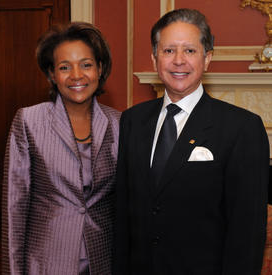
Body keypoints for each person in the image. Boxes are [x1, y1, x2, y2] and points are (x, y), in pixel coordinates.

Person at [113, 8, 270, 275]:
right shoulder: (132, 121)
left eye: (189, 51)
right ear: (154, 59)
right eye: (168, 50)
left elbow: (248, 232)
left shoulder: (242, 128)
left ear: (207, 58)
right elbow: (123, 215)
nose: (178, 61)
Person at [2, 22, 120, 275]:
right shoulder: (29, 121)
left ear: (100, 69)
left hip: (103, 260)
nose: (76, 75)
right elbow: (15, 207)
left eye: (86, 65)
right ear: (52, 74)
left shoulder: (120, 123)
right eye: (65, 67)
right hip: (46, 261)